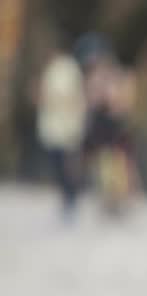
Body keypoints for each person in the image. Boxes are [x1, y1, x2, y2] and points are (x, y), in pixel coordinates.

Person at [37, 46, 87, 223]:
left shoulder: (70, 69)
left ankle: (71, 198)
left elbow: (76, 96)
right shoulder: (50, 69)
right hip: (53, 126)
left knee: (68, 165)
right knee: (56, 163)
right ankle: (65, 197)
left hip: (67, 125)